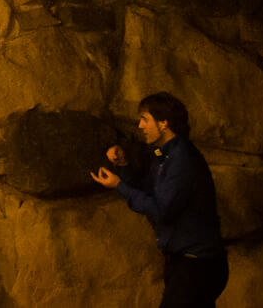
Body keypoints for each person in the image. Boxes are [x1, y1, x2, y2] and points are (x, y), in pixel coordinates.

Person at [91, 91, 229, 307]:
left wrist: (119, 185)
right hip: (188, 264)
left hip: (196, 267)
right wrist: (123, 165)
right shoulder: (164, 153)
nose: (139, 126)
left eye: (145, 119)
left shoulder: (182, 159)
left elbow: (160, 209)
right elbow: (150, 186)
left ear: (164, 123)